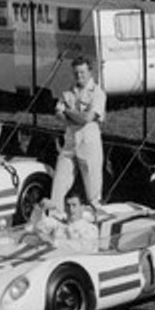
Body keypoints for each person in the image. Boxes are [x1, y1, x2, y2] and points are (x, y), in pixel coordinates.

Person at [50, 56, 106, 211]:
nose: (79, 76)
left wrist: (68, 111)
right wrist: (75, 116)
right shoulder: (68, 92)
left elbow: (87, 118)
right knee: (58, 186)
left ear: (90, 72)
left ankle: (95, 221)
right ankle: (57, 219)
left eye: (82, 73)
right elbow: (58, 115)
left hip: (89, 144)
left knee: (93, 192)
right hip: (69, 143)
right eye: (76, 73)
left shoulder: (97, 93)